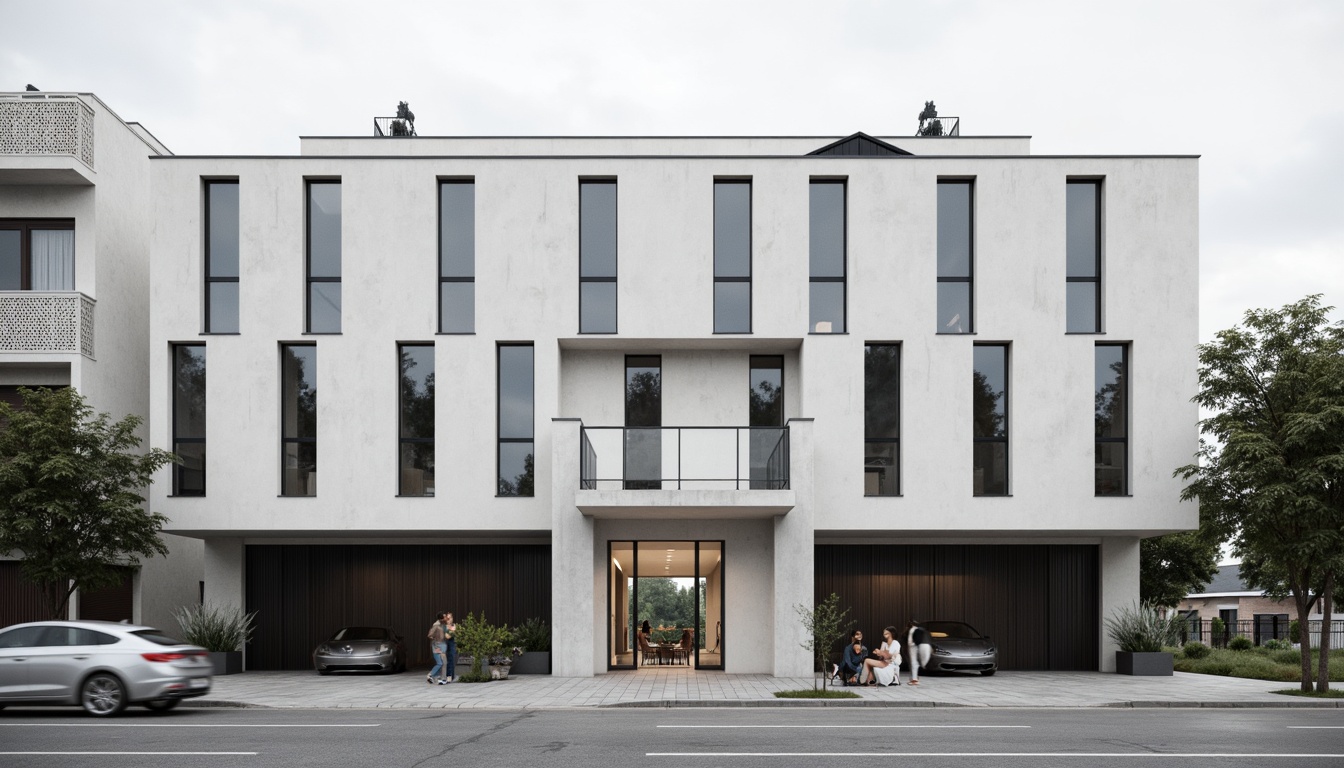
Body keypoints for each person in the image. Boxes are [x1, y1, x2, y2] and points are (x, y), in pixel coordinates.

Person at [906, 621, 932, 686]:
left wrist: (910, 646)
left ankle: (914, 679)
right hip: (924, 645)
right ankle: (915, 677)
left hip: (913, 646)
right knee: (919, 662)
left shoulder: (912, 630)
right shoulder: (923, 630)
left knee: (913, 662)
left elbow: (910, 641)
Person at [426, 613, 446, 684]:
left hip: (441, 646)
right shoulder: (436, 625)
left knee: (441, 663)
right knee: (440, 663)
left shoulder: (442, 625)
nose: (445, 618)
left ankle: (433, 676)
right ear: (441, 618)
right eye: (444, 617)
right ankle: (430, 675)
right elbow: (430, 635)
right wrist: (436, 642)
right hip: (437, 646)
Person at [440, 612, 457, 684]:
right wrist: (450, 631)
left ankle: (450, 676)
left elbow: (449, 635)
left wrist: (449, 631)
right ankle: (445, 676)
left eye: (451, 618)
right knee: (443, 661)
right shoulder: (443, 626)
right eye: (448, 618)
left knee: (451, 660)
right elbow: (447, 636)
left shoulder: (454, 625)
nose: (449, 620)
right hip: (444, 645)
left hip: (452, 644)